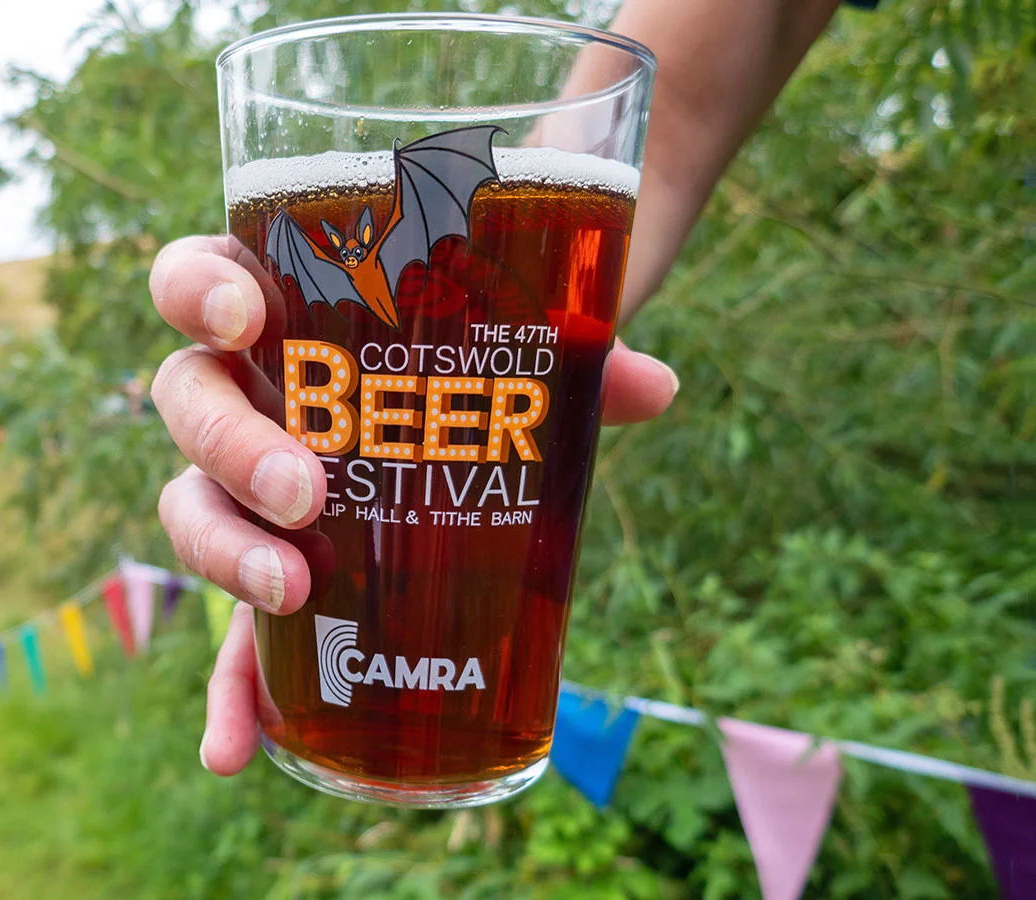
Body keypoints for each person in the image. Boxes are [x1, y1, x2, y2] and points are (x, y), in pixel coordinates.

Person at [147, 0, 857, 775]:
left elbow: (654, 135)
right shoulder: (299, 241)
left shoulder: (423, 212)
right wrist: (277, 414)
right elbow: (677, 119)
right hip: (329, 601)